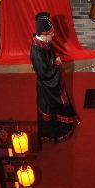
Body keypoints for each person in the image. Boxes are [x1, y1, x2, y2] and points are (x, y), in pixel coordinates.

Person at [30, 12, 79, 142]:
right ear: (44, 34)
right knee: (53, 108)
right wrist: (57, 65)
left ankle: (66, 123)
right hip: (47, 87)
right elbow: (44, 74)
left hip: (54, 83)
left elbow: (51, 52)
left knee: (62, 103)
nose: (53, 35)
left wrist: (55, 57)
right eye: (51, 33)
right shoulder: (36, 50)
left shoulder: (44, 43)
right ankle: (54, 133)